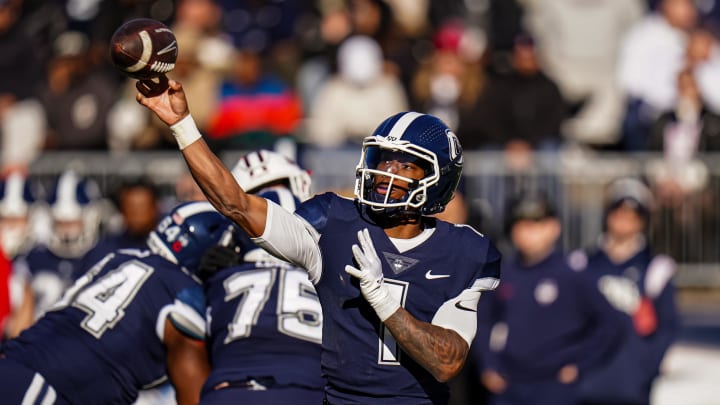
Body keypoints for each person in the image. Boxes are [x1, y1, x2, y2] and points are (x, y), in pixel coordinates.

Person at [136, 79, 501, 404]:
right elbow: (237, 204)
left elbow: (447, 361)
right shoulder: (334, 223)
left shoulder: (465, 252)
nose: (386, 173)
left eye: (405, 166)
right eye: (382, 160)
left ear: (437, 180)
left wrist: (384, 302)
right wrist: (182, 126)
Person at [0, 201, 242, 404]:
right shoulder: (182, 294)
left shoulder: (118, 258)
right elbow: (195, 395)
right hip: (49, 389)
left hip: (12, 364)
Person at [473, 191, 625, 405]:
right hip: (509, 383)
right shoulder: (504, 274)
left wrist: (580, 364)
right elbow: (483, 320)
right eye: (520, 224)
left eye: (535, 224)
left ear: (554, 227)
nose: (527, 232)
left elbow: (611, 325)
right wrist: (488, 365)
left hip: (554, 385)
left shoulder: (572, 274)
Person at [198, 149, 323, 404]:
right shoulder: (337, 258)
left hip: (229, 389)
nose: (268, 209)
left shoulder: (221, 273)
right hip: (307, 388)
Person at [575, 177, 679, 405]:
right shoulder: (582, 264)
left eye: (633, 216)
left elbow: (666, 328)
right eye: (618, 213)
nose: (624, 221)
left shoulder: (657, 269)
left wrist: (645, 369)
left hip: (632, 387)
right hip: (585, 385)